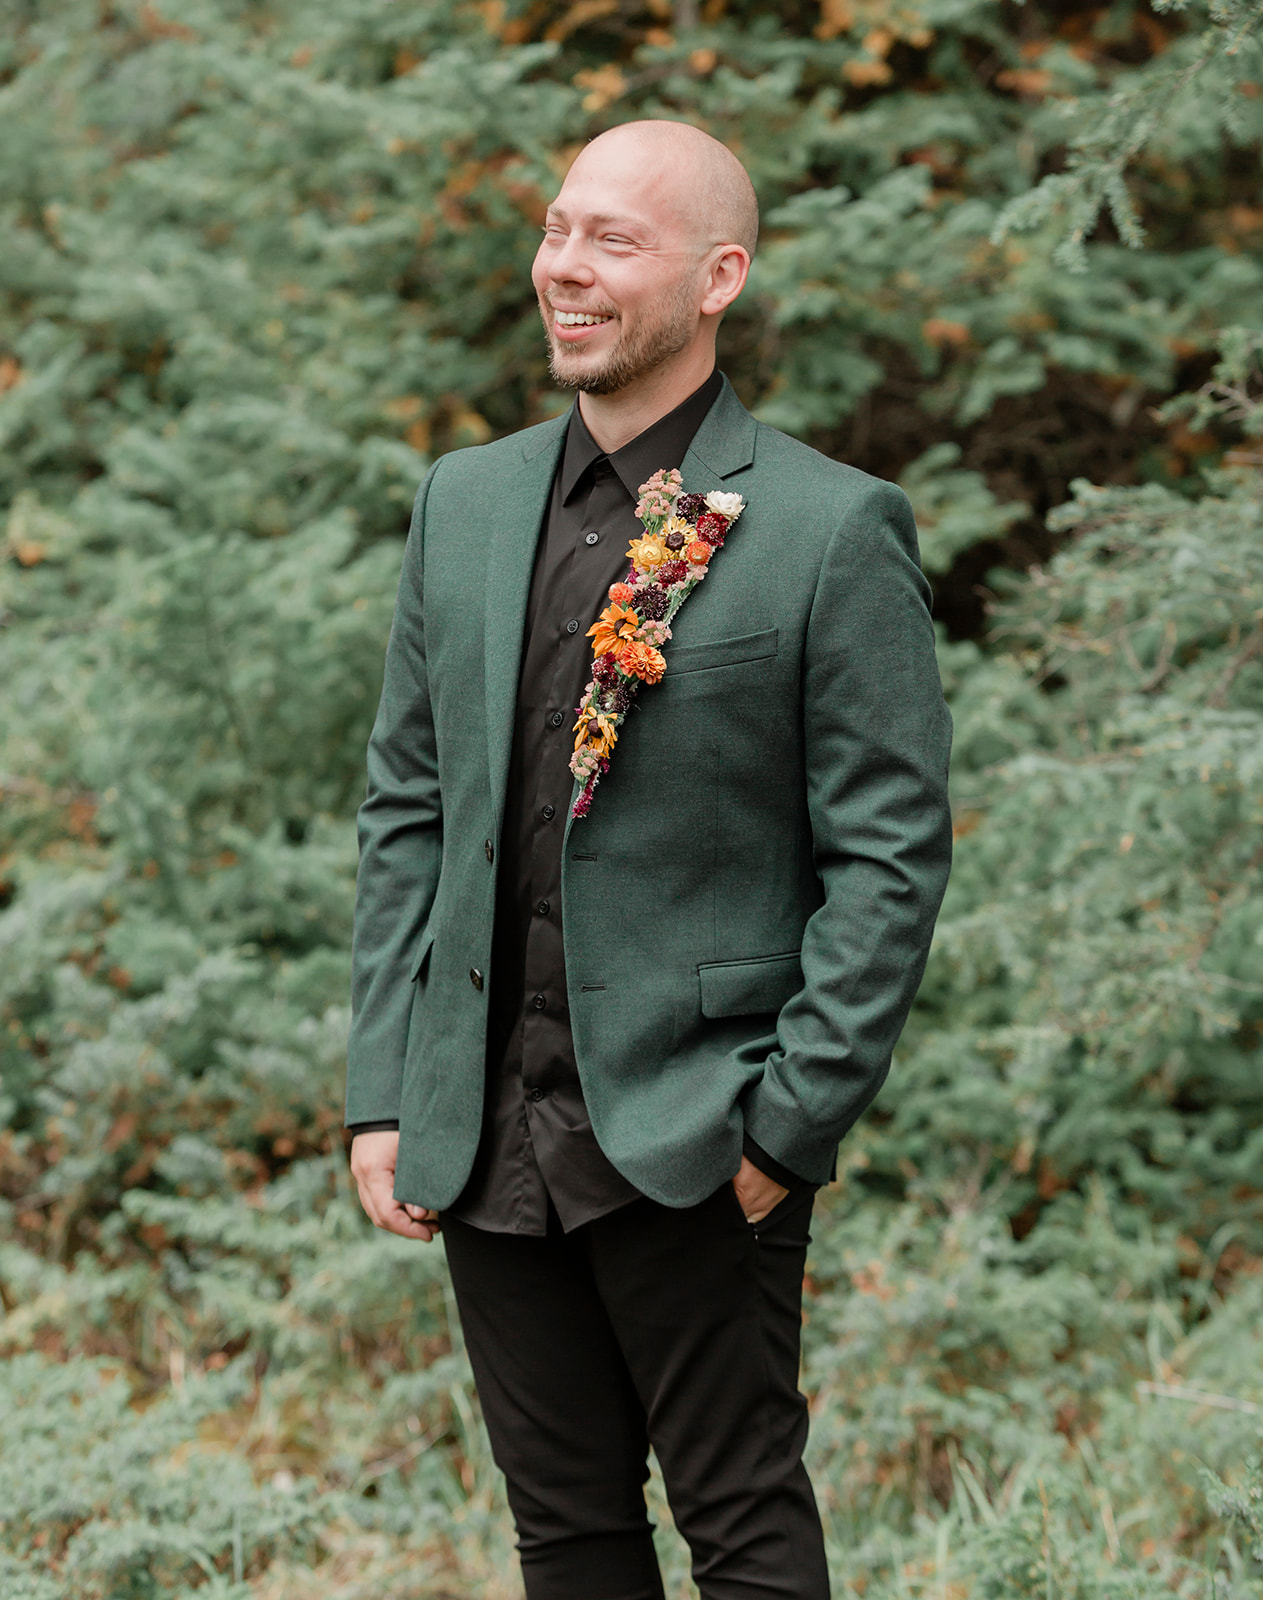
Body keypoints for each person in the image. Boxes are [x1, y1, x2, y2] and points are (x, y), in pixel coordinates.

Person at [345, 119, 952, 1600]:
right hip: (482, 1135)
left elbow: (889, 857)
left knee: (743, 1530)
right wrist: (385, 1088)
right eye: (559, 230)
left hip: (699, 1136)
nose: (567, 267)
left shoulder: (826, 528)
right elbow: (409, 809)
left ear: (718, 274)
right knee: (566, 1539)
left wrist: (784, 1130)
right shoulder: (463, 504)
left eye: (614, 241)